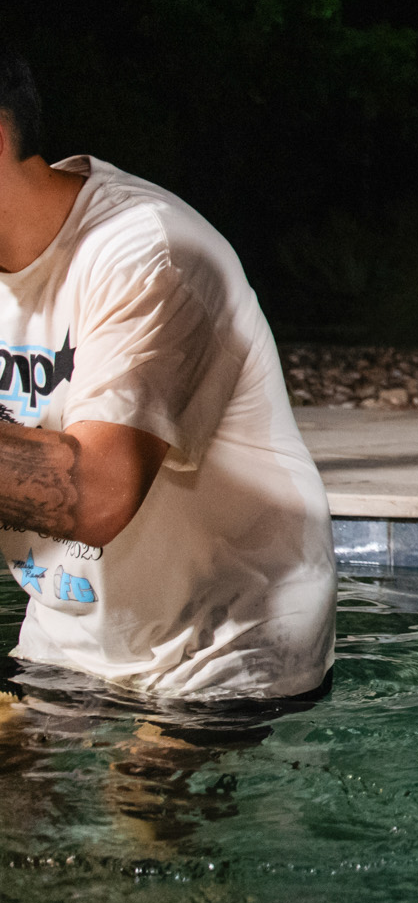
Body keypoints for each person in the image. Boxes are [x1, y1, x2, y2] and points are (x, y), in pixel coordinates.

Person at [0, 52, 333, 699]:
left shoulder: (146, 252)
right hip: (71, 631)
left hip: (231, 633)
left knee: (139, 796)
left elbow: (98, 492)